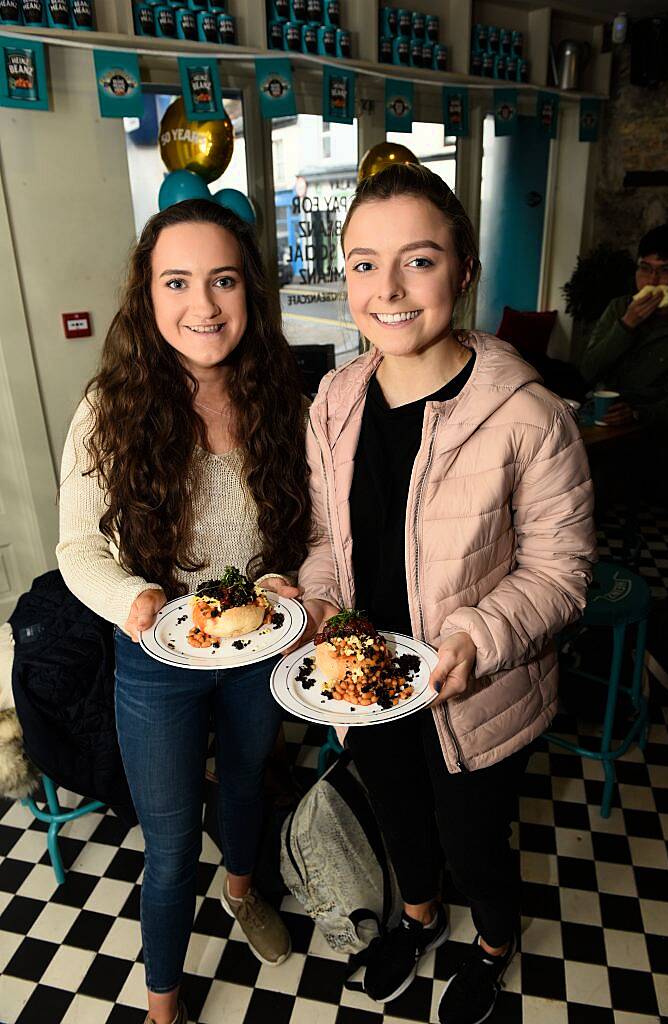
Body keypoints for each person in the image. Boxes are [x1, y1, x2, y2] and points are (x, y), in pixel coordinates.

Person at [296, 164, 596, 1024]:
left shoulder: (529, 414)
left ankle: (494, 941)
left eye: (418, 260)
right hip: (368, 681)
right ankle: (421, 919)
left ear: (464, 270)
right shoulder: (336, 399)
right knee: (398, 820)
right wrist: (315, 608)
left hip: (478, 691)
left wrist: (477, 634)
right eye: (362, 263)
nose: (386, 289)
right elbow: (326, 543)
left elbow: (560, 570)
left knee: (474, 843)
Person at [57, 199, 311, 1024]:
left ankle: (242, 891)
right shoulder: (109, 408)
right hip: (153, 656)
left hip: (255, 649)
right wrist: (139, 600)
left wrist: (282, 579)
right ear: (148, 295)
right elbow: (77, 551)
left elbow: (306, 532)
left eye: (223, 280)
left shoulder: (284, 400)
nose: (203, 305)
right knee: (167, 848)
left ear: (250, 293)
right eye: (178, 281)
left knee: (244, 785)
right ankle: (164, 1004)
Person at [581, 224, 668, 429]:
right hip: (598, 415)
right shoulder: (618, 307)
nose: (652, 281)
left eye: (666, 270)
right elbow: (587, 371)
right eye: (645, 269)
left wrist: (637, 414)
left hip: (650, 431)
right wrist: (626, 325)